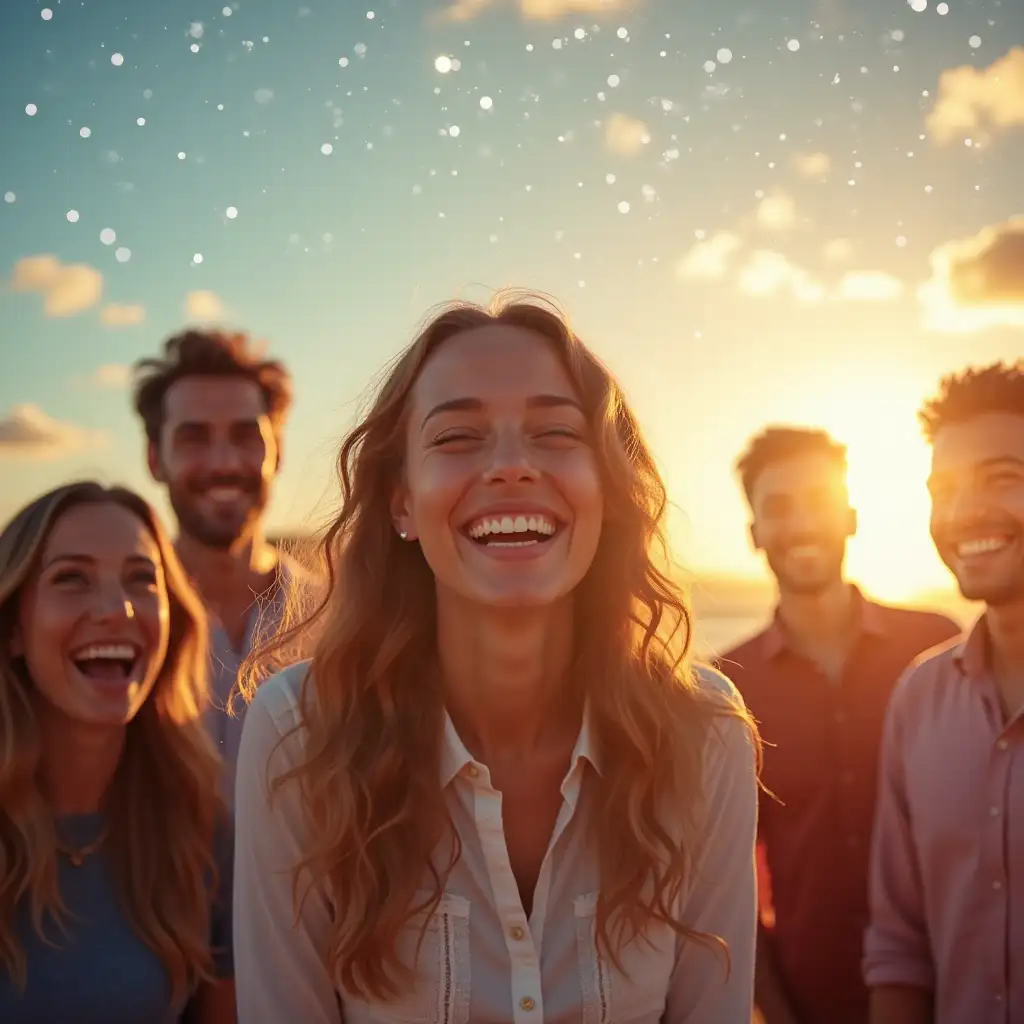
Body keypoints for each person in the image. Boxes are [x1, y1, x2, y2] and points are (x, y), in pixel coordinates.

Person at [232, 294, 760, 1023]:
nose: (512, 466)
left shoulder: (704, 735)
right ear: (400, 505)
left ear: (608, 488)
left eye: (555, 432)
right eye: (456, 438)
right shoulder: (300, 731)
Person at [717, 427, 960, 1024]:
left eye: (818, 503)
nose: (801, 525)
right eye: (778, 508)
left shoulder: (937, 646)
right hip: (813, 1002)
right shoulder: (724, 689)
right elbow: (725, 886)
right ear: (754, 534)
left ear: (851, 517)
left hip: (962, 992)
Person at [0, 481, 234, 1022]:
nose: (116, 609)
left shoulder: (200, 831)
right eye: (72, 579)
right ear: (14, 627)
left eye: (140, 580)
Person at [865, 361, 1024, 1024]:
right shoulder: (918, 699)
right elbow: (899, 946)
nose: (963, 514)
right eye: (944, 488)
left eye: (1003, 478)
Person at [133, 327, 313, 805]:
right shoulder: (121, 625)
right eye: (194, 438)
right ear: (155, 459)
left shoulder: (337, 619)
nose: (223, 461)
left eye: (244, 435)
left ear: (278, 453)